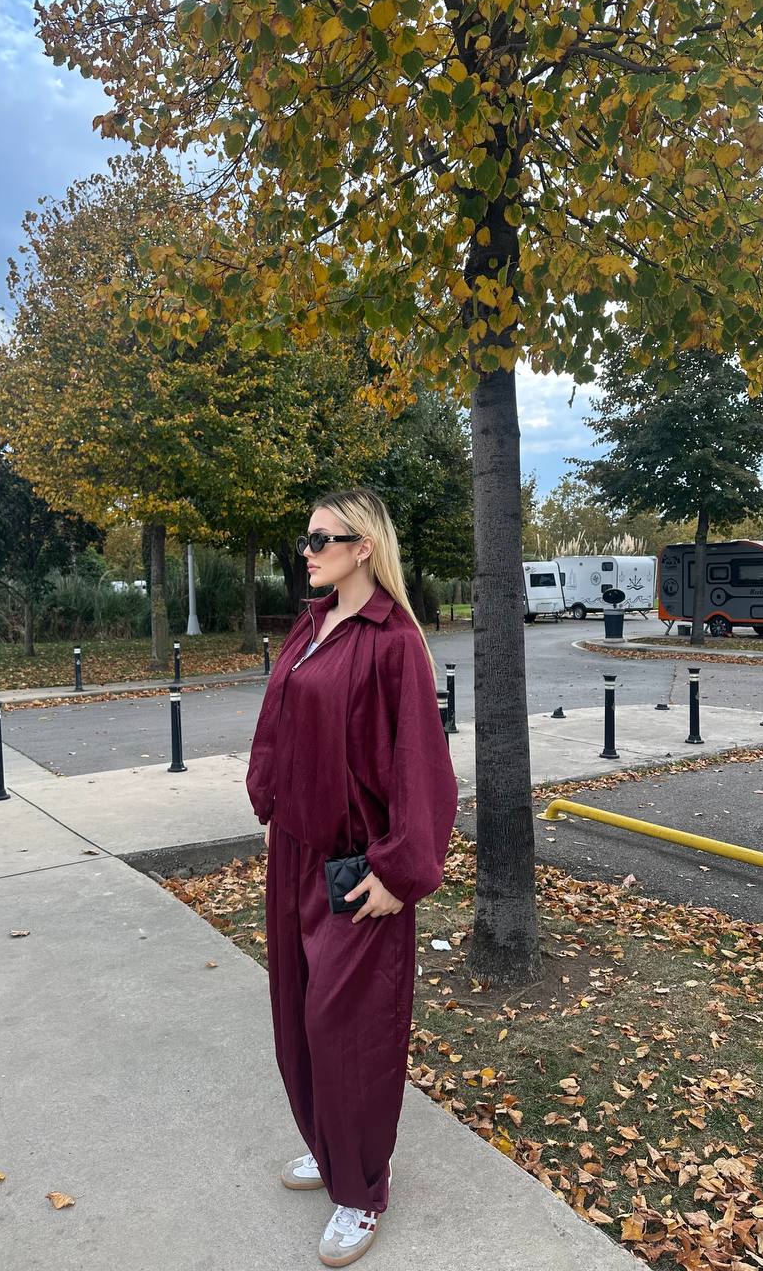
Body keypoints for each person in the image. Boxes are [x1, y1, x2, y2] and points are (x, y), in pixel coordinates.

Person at [246, 486, 459, 1267]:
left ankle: (363, 1188)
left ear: (362, 546)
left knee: (350, 1028)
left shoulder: (393, 641)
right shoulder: (312, 624)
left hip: (358, 865)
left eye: (320, 539)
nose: (305, 552)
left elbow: (422, 766)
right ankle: (330, 1146)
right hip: (295, 852)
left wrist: (401, 870)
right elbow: (279, 723)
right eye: (304, 540)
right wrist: (268, 793)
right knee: (298, 1017)